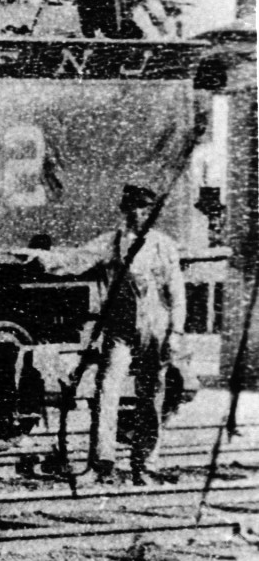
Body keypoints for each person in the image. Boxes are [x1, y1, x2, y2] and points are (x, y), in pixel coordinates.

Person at [18, 184, 189, 483]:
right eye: (134, 207)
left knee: (151, 396)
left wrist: (175, 332)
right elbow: (75, 260)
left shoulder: (164, 246)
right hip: (121, 328)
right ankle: (102, 463)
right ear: (125, 210)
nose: (139, 214)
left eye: (145, 208)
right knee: (106, 392)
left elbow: (177, 294)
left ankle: (145, 464)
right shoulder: (112, 243)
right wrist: (40, 256)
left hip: (156, 329)